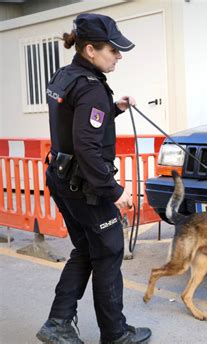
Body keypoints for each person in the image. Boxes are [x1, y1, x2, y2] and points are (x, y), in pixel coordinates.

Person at [36, 13, 152, 344]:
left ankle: (58, 322)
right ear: (90, 50)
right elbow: (87, 146)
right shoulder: (91, 89)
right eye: (112, 50)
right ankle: (115, 334)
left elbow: (76, 124)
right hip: (84, 186)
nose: (118, 56)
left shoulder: (66, 76)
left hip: (61, 177)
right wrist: (114, 191)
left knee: (88, 247)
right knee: (109, 249)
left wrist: (113, 107)